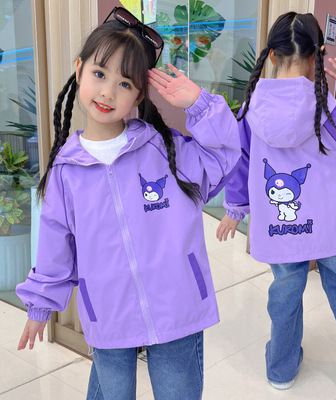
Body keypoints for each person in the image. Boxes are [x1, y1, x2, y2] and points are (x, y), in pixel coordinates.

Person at [15, 6, 240, 400]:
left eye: (124, 83)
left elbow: (223, 157)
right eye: (100, 74)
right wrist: (39, 306)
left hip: (177, 307)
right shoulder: (66, 171)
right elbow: (55, 247)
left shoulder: (162, 150)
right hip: (109, 314)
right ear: (79, 69)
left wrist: (200, 104)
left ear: (139, 94)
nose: (107, 92)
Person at [216, 11, 336, 390]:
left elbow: (241, 163)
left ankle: (281, 370)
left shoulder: (250, 109)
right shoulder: (329, 109)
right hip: (331, 229)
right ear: (317, 56)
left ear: (271, 56)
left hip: (281, 230)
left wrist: (235, 210)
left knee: (285, 296)